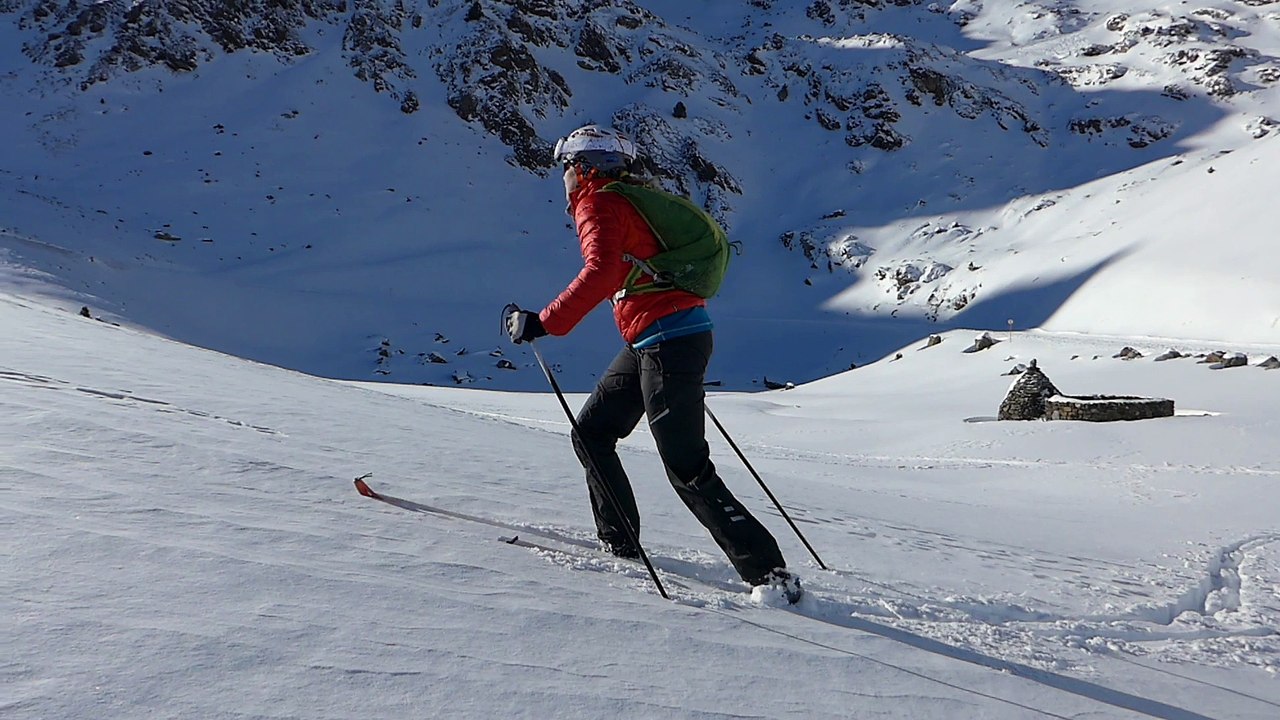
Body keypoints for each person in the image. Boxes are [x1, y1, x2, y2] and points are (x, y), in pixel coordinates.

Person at [503, 124, 802, 603]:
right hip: (660, 338)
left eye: (566, 169)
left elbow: (601, 272)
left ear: (583, 169)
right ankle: (619, 543)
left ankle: (770, 576)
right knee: (593, 433)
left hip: (667, 342)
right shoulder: (629, 199)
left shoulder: (598, 202)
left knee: (687, 467)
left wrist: (543, 322)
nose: (564, 180)